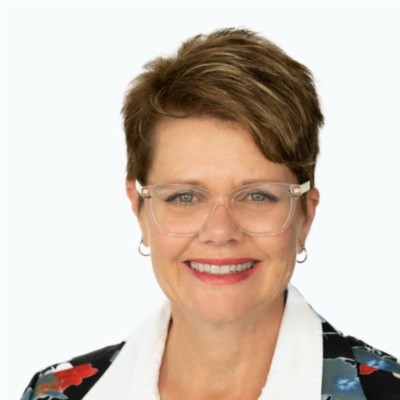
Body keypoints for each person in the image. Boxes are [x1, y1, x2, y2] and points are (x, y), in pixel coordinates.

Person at [20, 28, 400, 400]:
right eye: (185, 197)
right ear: (139, 211)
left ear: (305, 216)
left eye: (257, 196)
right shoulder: (54, 394)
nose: (220, 231)